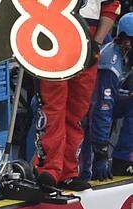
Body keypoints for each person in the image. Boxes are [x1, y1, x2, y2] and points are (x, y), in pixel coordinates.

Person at [33, 0, 118, 190]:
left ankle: (69, 171)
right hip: (52, 35)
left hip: (88, 39)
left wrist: (96, 43)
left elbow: (111, 6)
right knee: (53, 108)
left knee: (77, 111)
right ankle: (48, 168)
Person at [83, 14, 133, 181]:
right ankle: (88, 168)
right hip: (85, 109)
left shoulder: (126, 55)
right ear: (126, 40)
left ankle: (123, 159)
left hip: (100, 102)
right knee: (85, 173)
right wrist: (101, 153)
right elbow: (102, 110)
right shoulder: (110, 64)